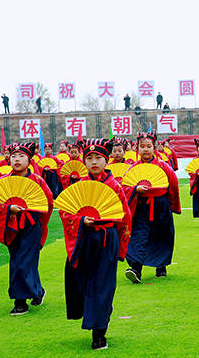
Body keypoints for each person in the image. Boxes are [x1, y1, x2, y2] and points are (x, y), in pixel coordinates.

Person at [61, 138, 132, 350]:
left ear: (106, 160)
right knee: (82, 281)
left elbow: (125, 219)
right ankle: (90, 318)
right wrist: (81, 220)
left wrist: (121, 249)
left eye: (98, 158)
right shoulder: (80, 186)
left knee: (103, 285)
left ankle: (99, 331)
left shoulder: (115, 186)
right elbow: (66, 213)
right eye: (89, 158)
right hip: (83, 239)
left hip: (107, 239)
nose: (94, 162)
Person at [0, 142, 53, 314]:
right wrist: (9, 209)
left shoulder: (38, 181)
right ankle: (37, 291)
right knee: (19, 260)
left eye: (21, 156)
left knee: (23, 261)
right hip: (12, 226)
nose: (17, 159)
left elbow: (48, 204)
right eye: (14, 156)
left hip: (31, 226)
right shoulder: (3, 181)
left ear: (29, 161)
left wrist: (40, 225)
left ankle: (20, 301)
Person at [124, 131, 181, 283]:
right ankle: (136, 269)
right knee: (138, 237)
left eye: (149, 146)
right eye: (142, 147)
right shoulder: (133, 168)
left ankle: (160, 266)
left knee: (162, 236)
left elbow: (173, 187)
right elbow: (125, 187)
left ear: (154, 148)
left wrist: (171, 206)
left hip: (161, 207)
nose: (146, 150)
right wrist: (135, 189)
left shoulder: (164, 167)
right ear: (137, 149)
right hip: (140, 207)